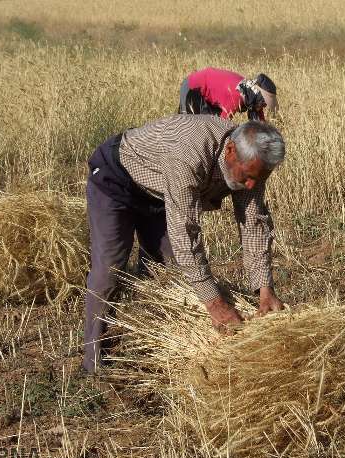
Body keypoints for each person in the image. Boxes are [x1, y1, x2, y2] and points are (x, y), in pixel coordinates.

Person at [83, 115, 286, 374]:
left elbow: (254, 223)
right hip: (118, 178)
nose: (251, 185)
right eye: (247, 177)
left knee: (171, 270)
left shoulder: (253, 164)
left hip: (160, 190)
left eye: (258, 178)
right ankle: (93, 362)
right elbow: (185, 234)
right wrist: (215, 304)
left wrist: (264, 289)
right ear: (230, 150)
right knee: (108, 271)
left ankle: (150, 344)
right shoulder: (189, 152)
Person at [178, 68, 278, 121]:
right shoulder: (236, 97)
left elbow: (260, 125)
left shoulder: (250, 93)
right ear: (259, 98)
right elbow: (221, 124)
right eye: (264, 103)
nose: (264, 106)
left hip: (208, 91)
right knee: (191, 126)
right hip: (194, 87)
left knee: (208, 124)